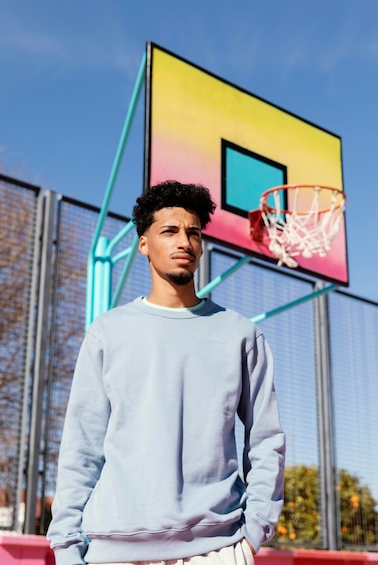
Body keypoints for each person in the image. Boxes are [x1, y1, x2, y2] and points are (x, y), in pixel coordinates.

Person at [47, 180, 285, 565]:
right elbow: (82, 444)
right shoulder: (109, 332)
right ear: (144, 244)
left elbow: (265, 438)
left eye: (193, 232)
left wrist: (255, 530)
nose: (184, 242)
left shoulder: (240, 333)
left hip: (217, 548)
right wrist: (67, 546)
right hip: (114, 549)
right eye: (170, 231)